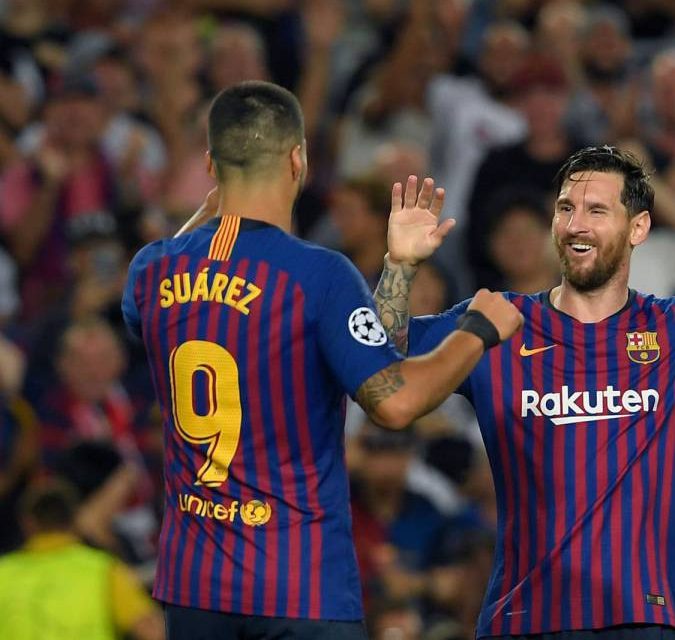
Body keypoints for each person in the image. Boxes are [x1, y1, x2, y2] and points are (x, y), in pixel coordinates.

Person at [377, 145, 675, 637]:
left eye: (596, 211)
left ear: (639, 228)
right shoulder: (498, 321)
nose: (576, 224)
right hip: (524, 620)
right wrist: (398, 266)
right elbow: (380, 364)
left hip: (646, 620)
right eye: (566, 208)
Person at [119, 81, 523, 639]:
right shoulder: (317, 274)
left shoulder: (153, 269)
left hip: (193, 591)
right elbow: (394, 401)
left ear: (210, 164)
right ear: (298, 160)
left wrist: (399, 269)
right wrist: (477, 330)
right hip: (297, 585)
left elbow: (144, 302)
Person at [0, 480, 165, 640]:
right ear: (74, 521)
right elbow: (153, 632)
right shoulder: (104, 570)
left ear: (28, 523)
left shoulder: (3, 572)